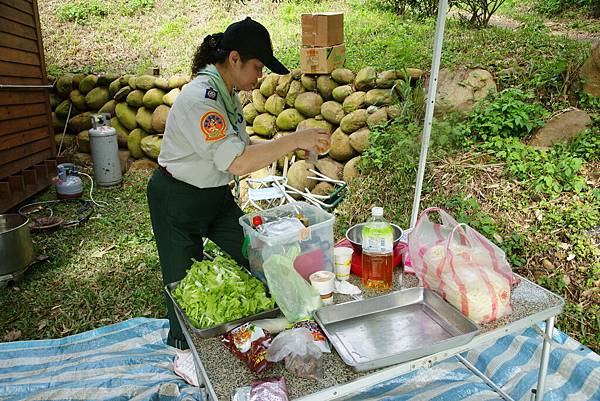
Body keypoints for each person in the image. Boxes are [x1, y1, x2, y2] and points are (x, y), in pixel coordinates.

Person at [146, 17, 331, 349]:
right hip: (177, 200)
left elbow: (241, 152)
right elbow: (238, 161)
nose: (260, 76)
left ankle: (288, 322)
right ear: (234, 59)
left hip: (215, 196)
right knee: (187, 285)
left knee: (258, 256)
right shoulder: (201, 99)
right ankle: (185, 352)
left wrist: (290, 142)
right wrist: (293, 139)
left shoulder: (226, 92)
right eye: (257, 67)